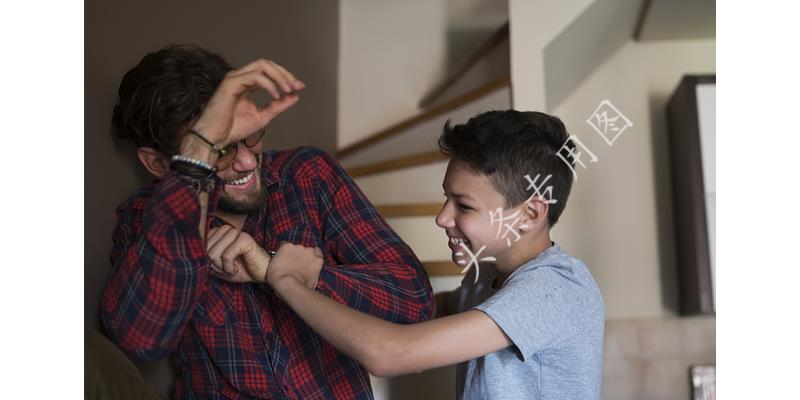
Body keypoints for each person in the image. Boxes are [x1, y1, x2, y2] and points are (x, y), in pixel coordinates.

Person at [99, 44, 434, 399]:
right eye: (221, 148)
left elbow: (414, 300)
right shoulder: (149, 218)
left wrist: (286, 274)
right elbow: (142, 339)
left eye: (249, 136)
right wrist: (193, 169)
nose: (245, 161)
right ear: (158, 164)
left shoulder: (307, 174)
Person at [262, 110, 606, 399]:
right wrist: (328, 280)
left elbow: (389, 354)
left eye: (464, 205)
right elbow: (423, 309)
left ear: (529, 215)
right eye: (446, 198)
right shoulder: (487, 279)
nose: (442, 217)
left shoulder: (553, 290)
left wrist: (289, 282)